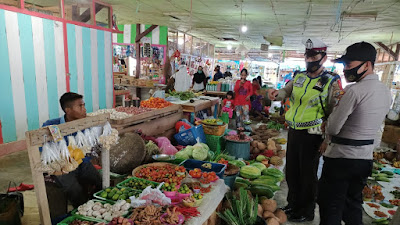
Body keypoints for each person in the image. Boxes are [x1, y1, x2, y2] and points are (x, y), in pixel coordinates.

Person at [267, 38, 342, 222]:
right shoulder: (299, 76)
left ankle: (306, 210)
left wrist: (328, 139)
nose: (309, 60)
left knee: (307, 174)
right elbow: (286, 91)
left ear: (323, 58)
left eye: (314, 56)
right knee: (291, 171)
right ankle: (293, 204)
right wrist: (277, 94)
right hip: (294, 130)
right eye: (307, 56)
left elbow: (335, 112)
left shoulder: (331, 81)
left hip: (314, 134)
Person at [318, 42, 392, 225]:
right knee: (353, 205)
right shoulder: (385, 91)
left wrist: (327, 126)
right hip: (364, 160)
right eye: (344, 65)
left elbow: (334, 128)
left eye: (349, 65)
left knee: (331, 207)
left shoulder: (354, 91)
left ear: (367, 65)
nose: (345, 70)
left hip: (341, 159)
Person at [42, 92, 102, 209]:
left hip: (81, 163)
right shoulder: (51, 126)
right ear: (68, 110)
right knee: (74, 189)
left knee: (98, 180)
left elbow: (90, 147)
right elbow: (44, 148)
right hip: (63, 166)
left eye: (84, 105)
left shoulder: (85, 124)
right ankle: (83, 210)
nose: (84, 109)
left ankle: (98, 206)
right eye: (80, 106)